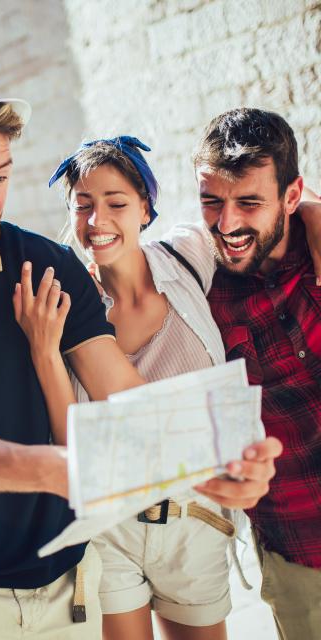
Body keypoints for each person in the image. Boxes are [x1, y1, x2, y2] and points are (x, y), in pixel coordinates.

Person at [0, 55, 280, 639]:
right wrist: (72, 469)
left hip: (67, 582)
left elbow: (123, 395)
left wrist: (213, 463)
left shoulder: (45, 263)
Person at [13, 136, 254, 640]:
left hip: (197, 518)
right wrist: (44, 351)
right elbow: (71, 443)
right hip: (111, 526)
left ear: (145, 208)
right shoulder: (65, 303)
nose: (97, 221)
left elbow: (278, 209)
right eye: (82, 206)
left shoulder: (187, 256)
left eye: (115, 203)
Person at [166, 108, 321, 640]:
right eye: (213, 201)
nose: (227, 224)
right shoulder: (195, 291)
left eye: (249, 203)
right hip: (301, 554)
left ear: (292, 195)